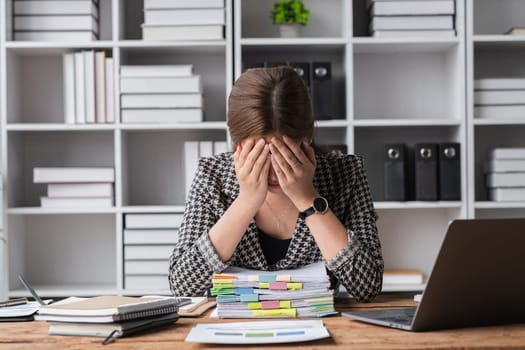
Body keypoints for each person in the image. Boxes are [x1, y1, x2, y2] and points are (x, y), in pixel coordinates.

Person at [168, 66, 383, 301]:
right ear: (236, 143)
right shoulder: (212, 176)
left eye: (286, 156)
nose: (274, 172)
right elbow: (182, 286)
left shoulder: (346, 173)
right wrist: (247, 200)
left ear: (307, 137)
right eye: (259, 155)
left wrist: (307, 199)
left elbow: (368, 286)